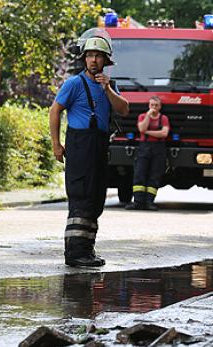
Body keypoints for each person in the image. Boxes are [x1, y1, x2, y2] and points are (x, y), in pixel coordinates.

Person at [49, 31, 129, 267]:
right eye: (90, 56)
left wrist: (107, 90)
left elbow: (124, 109)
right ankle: (75, 254)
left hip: (99, 147)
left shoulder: (110, 86)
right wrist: (56, 144)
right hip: (79, 147)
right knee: (81, 198)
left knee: (96, 199)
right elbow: (55, 111)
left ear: (106, 60)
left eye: (99, 56)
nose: (94, 60)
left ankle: (87, 250)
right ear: (84, 58)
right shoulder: (74, 84)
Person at [126, 96, 170, 211]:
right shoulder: (142, 116)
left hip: (159, 149)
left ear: (160, 107)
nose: (154, 107)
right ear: (148, 106)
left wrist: (148, 132)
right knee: (139, 173)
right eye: (152, 105)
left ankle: (149, 202)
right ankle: (137, 202)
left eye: (156, 105)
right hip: (144, 147)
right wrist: (147, 116)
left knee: (154, 175)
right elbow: (141, 129)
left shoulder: (164, 118)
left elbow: (164, 133)